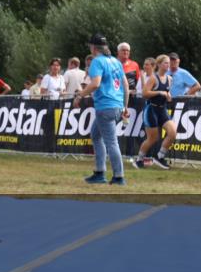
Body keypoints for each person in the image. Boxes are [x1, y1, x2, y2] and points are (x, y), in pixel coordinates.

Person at [73, 34, 128, 185]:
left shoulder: (97, 62)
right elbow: (126, 85)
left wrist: (80, 96)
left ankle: (119, 176)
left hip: (105, 107)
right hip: (117, 106)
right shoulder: (115, 62)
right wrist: (126, 106)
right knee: (96, 136)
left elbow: (96, 84)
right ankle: (99, 172)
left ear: (93, 47)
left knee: (111, 142)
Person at [133, 54, 176, 170]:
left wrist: (168, 96)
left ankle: (160, 157)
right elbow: (144, 93)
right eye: (166, 63)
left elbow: (167, 92)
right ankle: (139, 159)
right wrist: (159, 93)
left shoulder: (170, 79)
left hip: (162, 109)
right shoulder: (153, 78)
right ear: (159, 64)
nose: (168, 65)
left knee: (172, 133)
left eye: (169, 63)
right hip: (151, 109)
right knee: (153, 138)